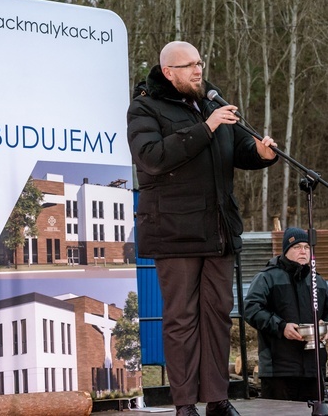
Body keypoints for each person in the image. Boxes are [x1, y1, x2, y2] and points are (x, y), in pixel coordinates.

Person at [127, 41, 278, 416]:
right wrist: (206, 128)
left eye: (200, 62)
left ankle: (216, 398)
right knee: (181, 319)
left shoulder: (211, 99)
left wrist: (259, 153)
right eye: (189, 65)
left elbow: (237, 147)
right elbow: (153, 158)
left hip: (218, 230)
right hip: (175, 232)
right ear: (168, 72)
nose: (198, 70)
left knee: (217, 314)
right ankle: (184, 404)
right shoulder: (145, 107)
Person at [243, 227, 328, 401]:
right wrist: (281, 326)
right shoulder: (267, 277)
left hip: (314, 368)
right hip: (278, 369)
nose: (303, 251)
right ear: (286, 250)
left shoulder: (318, 280)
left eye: (307, 247)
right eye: (297, 247)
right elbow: (251, 309)